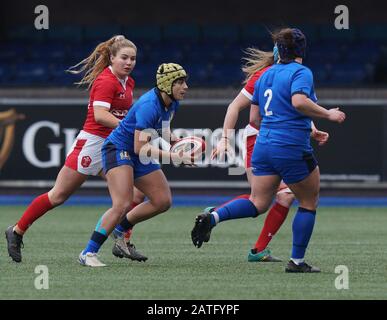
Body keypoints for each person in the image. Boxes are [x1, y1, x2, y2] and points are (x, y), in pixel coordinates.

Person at [191, 27, 345, 273]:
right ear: (302, 50)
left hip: (264, 145)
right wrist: (328, 114)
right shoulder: (301, 72)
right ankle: (296, 262)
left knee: (258, 201)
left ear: (278, 50)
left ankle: (214, 218)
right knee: (308, 201)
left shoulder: (265, 75)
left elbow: (255, 117)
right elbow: (298, 102)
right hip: (290, 146)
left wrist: (299, 126)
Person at [5, 35, 147, 263]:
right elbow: (100, 116)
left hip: (112, 145)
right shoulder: (106, 81)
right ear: (112, 58)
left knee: (136, 194)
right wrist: (129, 127)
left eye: (133, 58)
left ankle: (122, 241)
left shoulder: (128, 82)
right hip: (92, 145)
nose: (129, 62)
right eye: (124, 58)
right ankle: (17, 230)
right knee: (58, 195)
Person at [78, 63, 192, 267]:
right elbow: (140, 147)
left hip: (136, 150)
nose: (185, 87)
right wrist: (172, 156)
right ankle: (88, 253)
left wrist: (177, 144)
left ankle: (120, 233)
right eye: (180, 82)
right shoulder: (149, 104)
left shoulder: (172, 101)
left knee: (162, 200)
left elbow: (162, 128)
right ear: (167, 84)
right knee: (122, 203)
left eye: (185, 82)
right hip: (118, 148)